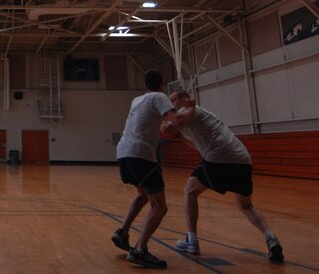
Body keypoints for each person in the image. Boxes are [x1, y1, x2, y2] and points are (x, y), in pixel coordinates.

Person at [168, 90, 284, 262]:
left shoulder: (188, 111)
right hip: (242, 159)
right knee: (245, 206)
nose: (171, 104)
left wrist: (160, 122)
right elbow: (200, 146)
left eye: (173, 100)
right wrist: (180, 137)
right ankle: (271, 238)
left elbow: (169, 127)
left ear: (185, 99)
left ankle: (191, 240)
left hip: (219, 158)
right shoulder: (198, 116)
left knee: (190, 191)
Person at [112, 70, 194, 269]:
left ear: (144, 83)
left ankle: (122, 232)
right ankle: (140, 250)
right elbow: (176, 123)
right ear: (163, 84)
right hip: (141, 154)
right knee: (159, 206)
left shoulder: (137, 100)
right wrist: (190, 108)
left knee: (142, 195)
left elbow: (154, 124)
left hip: (124, 152)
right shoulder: (160, 97)